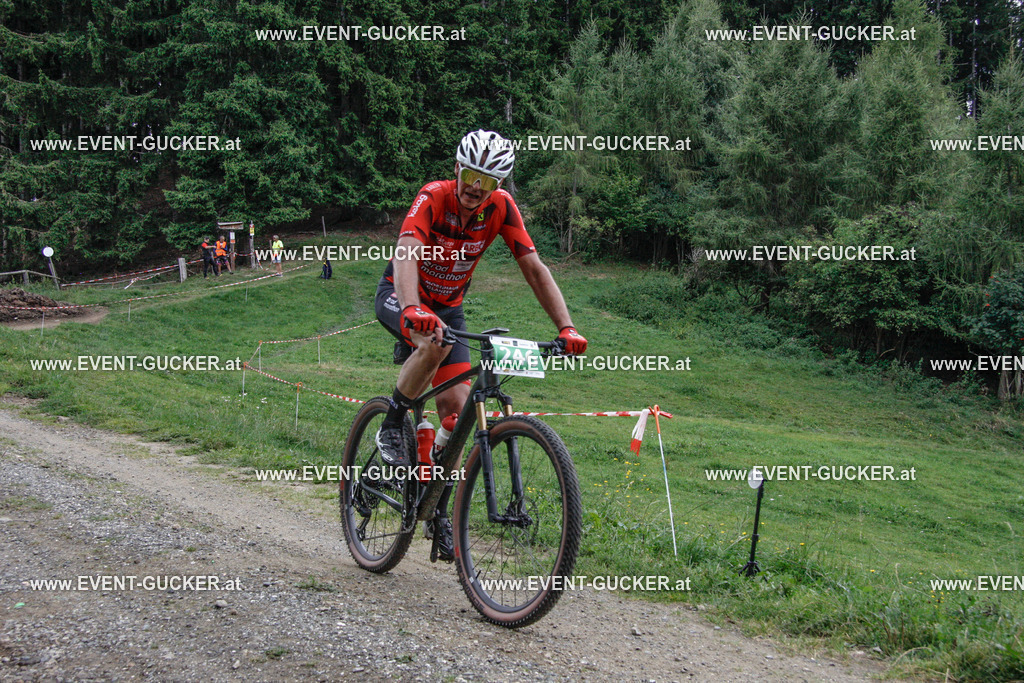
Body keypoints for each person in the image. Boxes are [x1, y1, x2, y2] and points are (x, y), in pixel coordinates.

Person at [373, 129, 587, 561]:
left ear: (501, 185)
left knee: (456, 413)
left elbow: (534, 267)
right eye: (471, 174)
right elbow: (407, 251)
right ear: (457, 167)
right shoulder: (432, 197)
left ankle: (433, 493)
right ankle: (392, 422)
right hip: (403, 295)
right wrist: (412, 306)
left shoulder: (501, 208)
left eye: (488, 181)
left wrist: (567, 328)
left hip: (449, 309)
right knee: (432, 342)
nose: (476, 186)